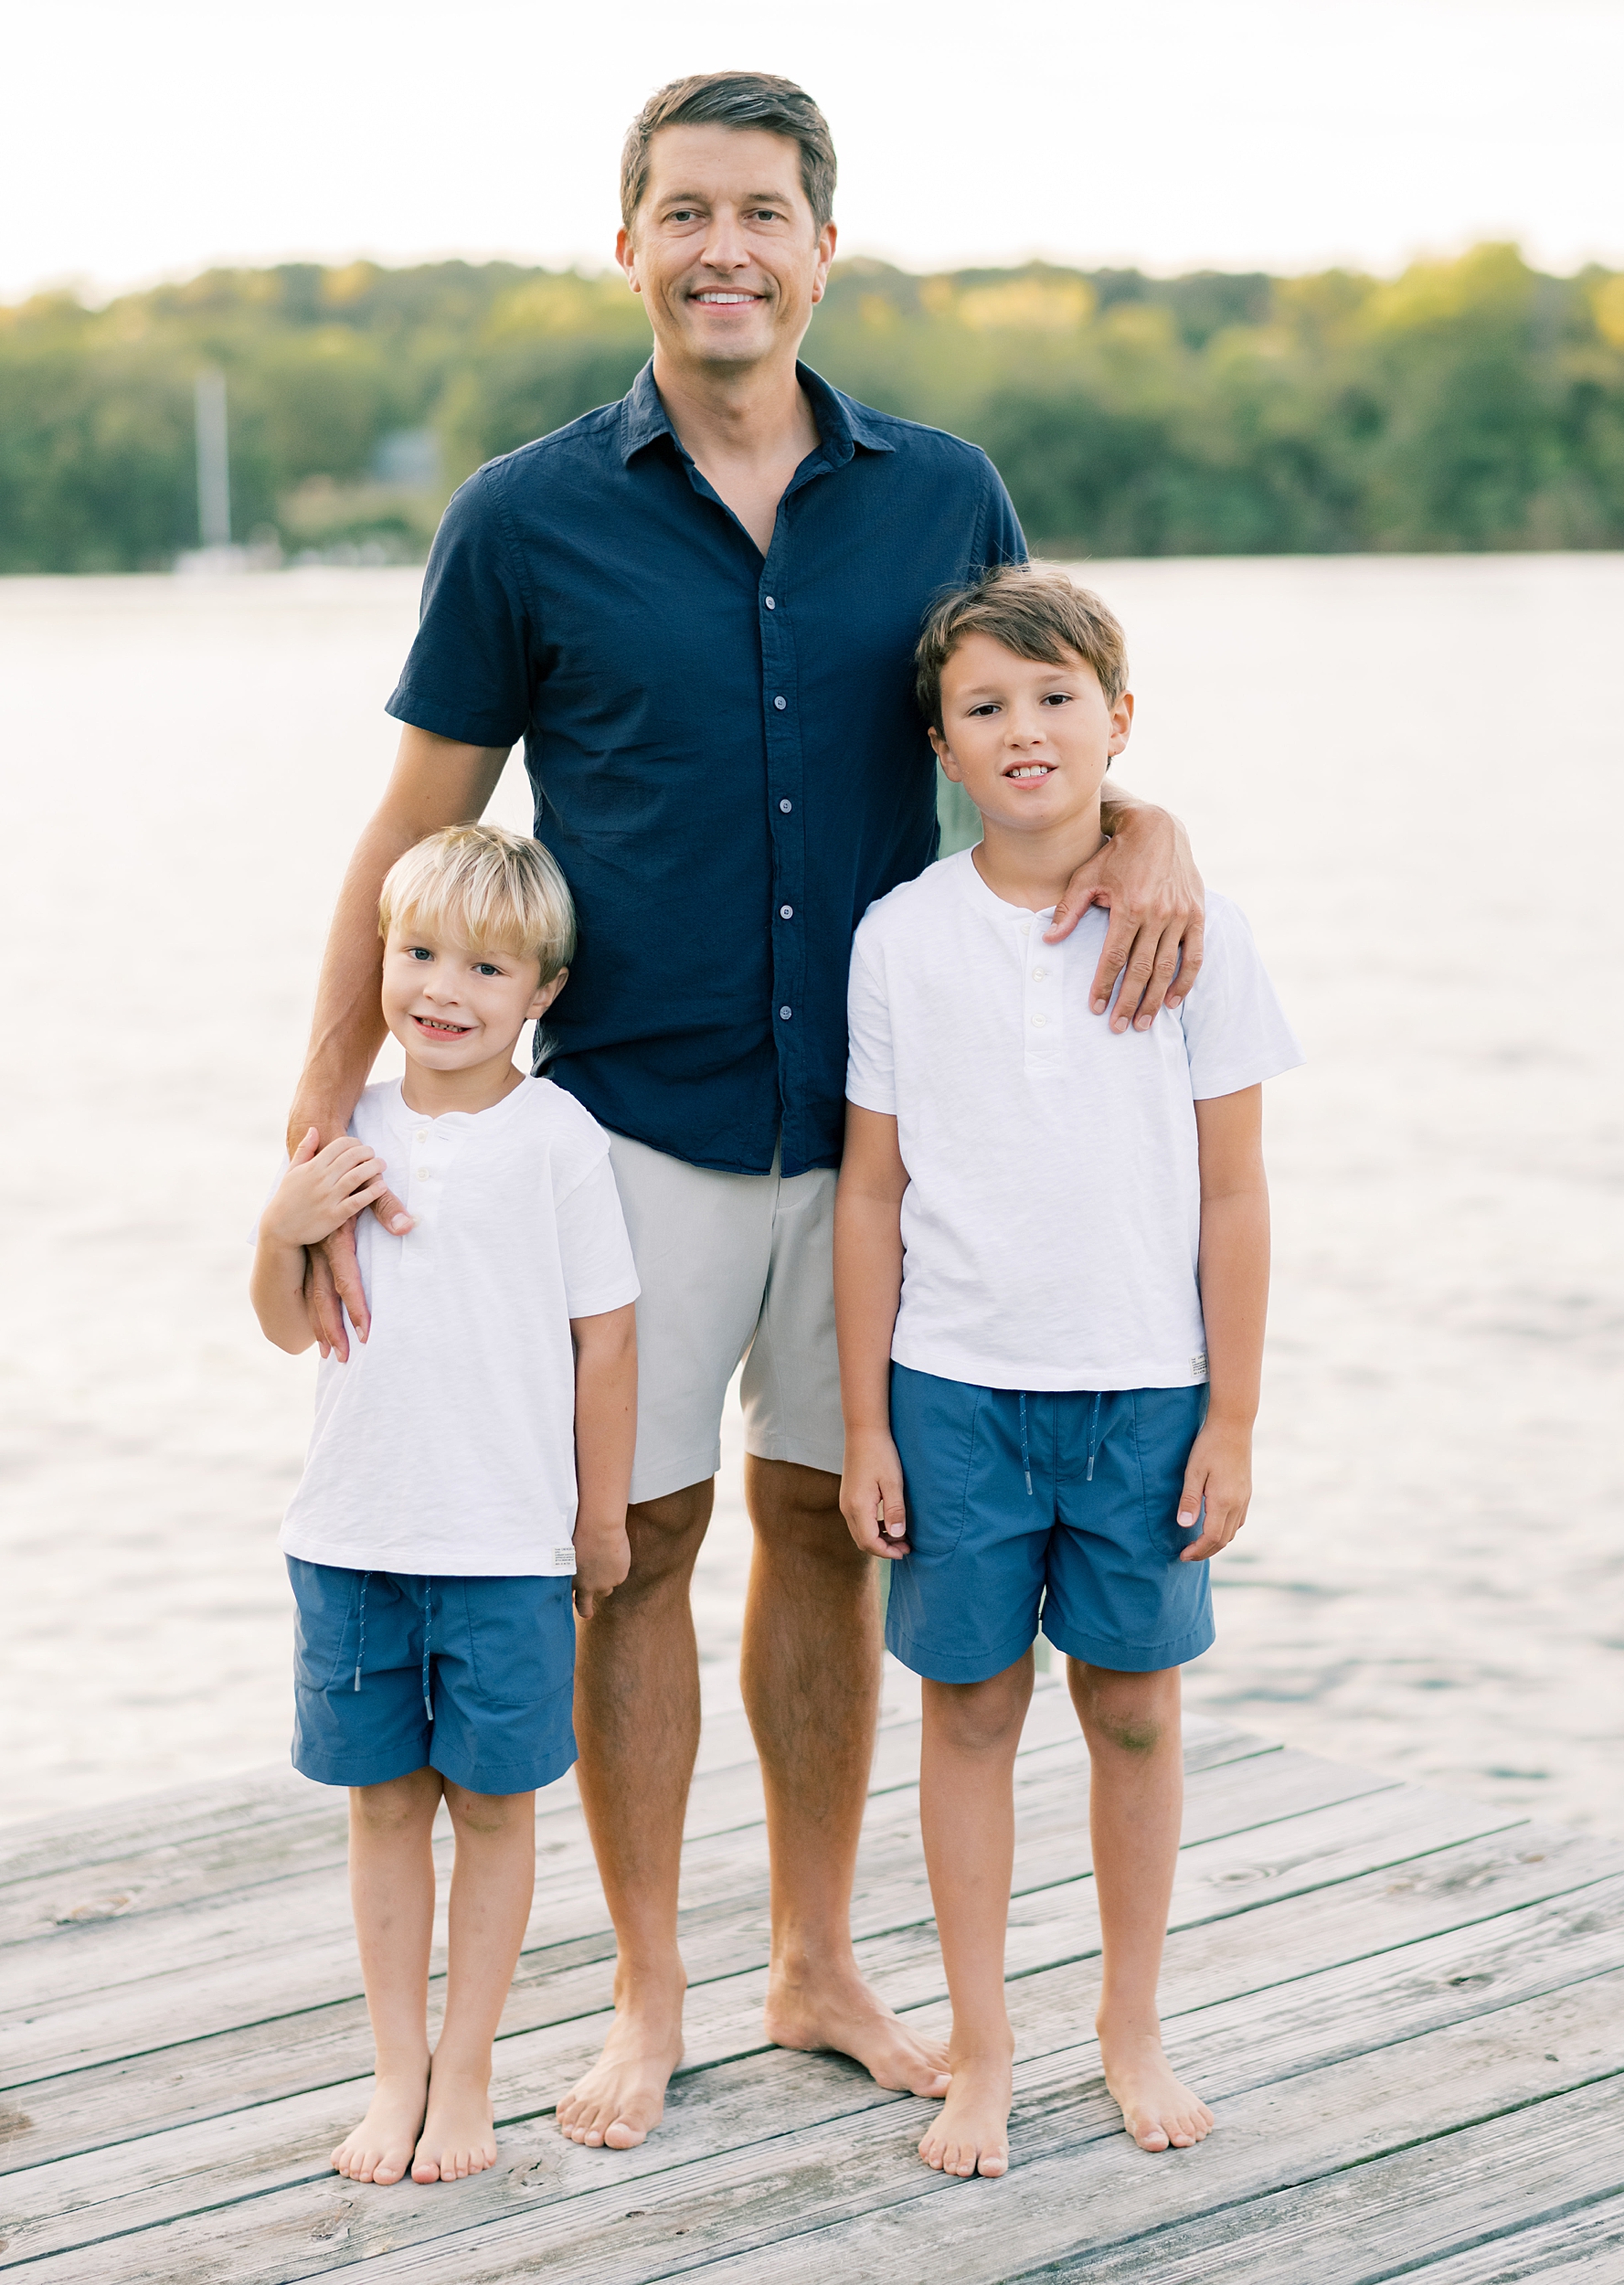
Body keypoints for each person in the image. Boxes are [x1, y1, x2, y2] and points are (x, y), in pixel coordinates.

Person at [285, 69, 1207, 2152]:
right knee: (629, 1548)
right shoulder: (524, 515)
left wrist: (1152, 824)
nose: (725, 247)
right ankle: (646, 1985)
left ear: (819, 247)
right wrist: (319, 1126)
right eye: (685, 209)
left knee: (827, 1524)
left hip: (889, 1132)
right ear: (628, 241)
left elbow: (1034, 719)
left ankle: (812, 1953)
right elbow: (412, 829)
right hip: (628, 1123)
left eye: (764, 211)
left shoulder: (940, 487)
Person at [834, 567, 1303, 2178]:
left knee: (1133, 1721)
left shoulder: (1198, 932)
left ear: (1120, 718)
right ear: (945, 750)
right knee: (967, 1715)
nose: (1024, 731)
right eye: (985, 709)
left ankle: (1131, 2025)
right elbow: (875, 1195)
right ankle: (984, 2048)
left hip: (1145, 1394)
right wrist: (865, 1429)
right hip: (953, 1392)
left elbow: (1234, 1190)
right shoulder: (899, 941)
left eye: (1054, 699)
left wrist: (1232, 1414)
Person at [252, 824, 640, 2186]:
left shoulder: (558, 1139)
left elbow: (607, 1341)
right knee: (379, 1808)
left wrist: (600, 1523)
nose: (445, 988)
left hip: (504, 1546)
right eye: (419, 953)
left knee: (491, 1807)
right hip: (352, 1537)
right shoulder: (342, 1129)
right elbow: (288, 1328)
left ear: (541, 991)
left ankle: (469, 2069)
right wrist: (284, 1223)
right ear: (384, 960)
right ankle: (397, 2069)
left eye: (486, 965)